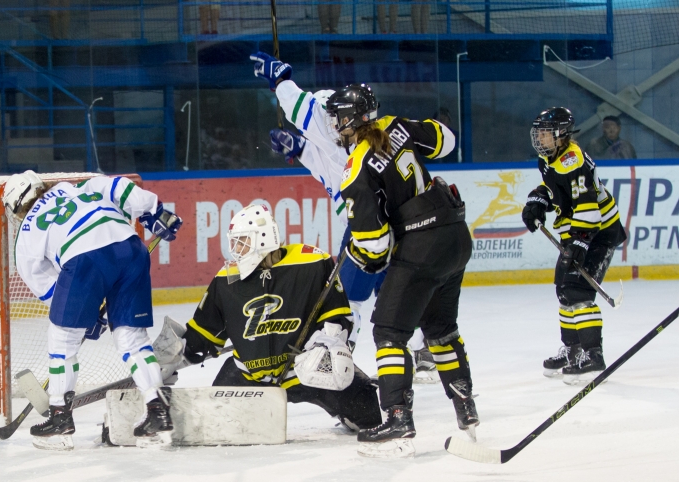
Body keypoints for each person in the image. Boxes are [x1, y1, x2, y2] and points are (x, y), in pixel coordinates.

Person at [249, 51, 438, 383]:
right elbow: (326, 165)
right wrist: (298, 148)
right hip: (387, 223)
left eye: (335, 118)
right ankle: (423, 348)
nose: (331, 123)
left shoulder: (333, 130)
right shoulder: (351, 143)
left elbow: (301, 110)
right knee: (388, 292)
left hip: (371, 226)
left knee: (347, 298)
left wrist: (280, 80)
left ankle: (337, 362)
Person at [326, 82, 478, 455]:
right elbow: (446, 141)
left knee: (389, 331)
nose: (334, 126)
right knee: (441, 329)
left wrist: (358, 258)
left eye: (337, 119)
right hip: (455, 236)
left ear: (350, 119)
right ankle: (466, 406)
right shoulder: (397, 126)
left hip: (422, 244)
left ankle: (397, 417)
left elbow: (376, 247)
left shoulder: (356, 166)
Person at [2, 171, 183, 450]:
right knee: (132, 339)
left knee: (62, 340)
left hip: (85, 261)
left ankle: (60, 419)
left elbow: (48, 286)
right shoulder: (79, 188)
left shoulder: (27, 230)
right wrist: (152, 211)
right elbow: (120, 187)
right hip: (131, 249)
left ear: (16, 207)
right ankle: (157, 410)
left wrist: (83, 314)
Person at [168, 204, 382, 431]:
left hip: (306, 371)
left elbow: (337, 315)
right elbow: (202, 334)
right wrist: (169, 357)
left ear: (263, 239)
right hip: (248, 376)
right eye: (235, 243)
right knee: (215, 426)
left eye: (243, 241)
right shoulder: (226, 280)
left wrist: (327, 343)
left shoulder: (311, 263)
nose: (236, 250)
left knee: (370, 418)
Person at [522, 107, 627, 384]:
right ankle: (573, 351)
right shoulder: (549, 159)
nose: (540, 138)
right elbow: (556, 189)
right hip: (579, 231)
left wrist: (579, 243)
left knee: (577, 290)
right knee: (563, 289)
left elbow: (588, 205)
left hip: (600, 232)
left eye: (545, 134)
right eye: (540, 133)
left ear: (561, 135)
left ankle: (594, 355)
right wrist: (538, 199)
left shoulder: (574, 161)